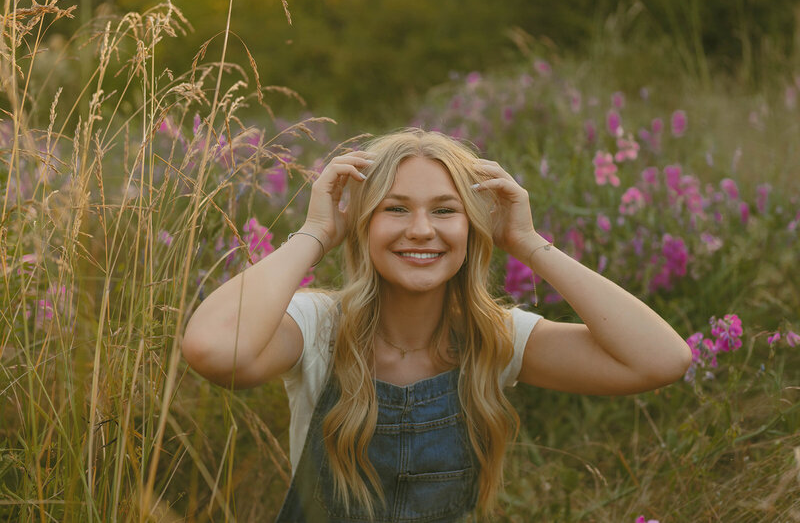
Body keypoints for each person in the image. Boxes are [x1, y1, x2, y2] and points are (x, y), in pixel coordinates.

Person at [181, 128, 691, 522]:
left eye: (445, 210)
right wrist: (315, 232)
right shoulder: (317, 327)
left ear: (472, 226)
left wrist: (528, 242)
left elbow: (661, 361)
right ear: (364, 225)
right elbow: (212, 351)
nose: (421, 230)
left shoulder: (493, 339)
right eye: (395, 209)